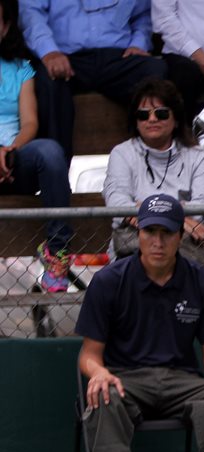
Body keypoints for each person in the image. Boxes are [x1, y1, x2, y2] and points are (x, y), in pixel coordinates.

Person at [75, 193, 204, 452]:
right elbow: (88, 356)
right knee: (102, 395)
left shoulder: (203, 281)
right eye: (150, 232)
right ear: (138, 234)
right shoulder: (107, 281)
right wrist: (99, 373)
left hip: (181, 381)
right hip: (124, 379)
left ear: (180, 236)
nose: (158, 241)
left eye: (166, 232)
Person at [19, 0, 168, 165]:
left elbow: (142, 17)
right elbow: (31, 15)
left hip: (119, 57)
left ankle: (152, 169)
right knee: (48, 79)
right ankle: (58, 173)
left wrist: (138, 44)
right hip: (65, 58)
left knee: (154, 70)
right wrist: (49, 52)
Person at [103, 78, 204, 268]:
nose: (152, 119)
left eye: (161, 113)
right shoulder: (121, 153)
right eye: (143, 115)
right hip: (133, 251)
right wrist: (181, 219)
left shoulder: (198, 156)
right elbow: (117, 203)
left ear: (176, 119)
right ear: (136, 121)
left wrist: (142, 211)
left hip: (185, 252)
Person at [0, 0, 73, 292]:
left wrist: (8, 151)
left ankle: (56, 254)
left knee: (50, 151)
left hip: (15, 160)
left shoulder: (21, 68)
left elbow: (30, 123)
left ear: (5, 27)